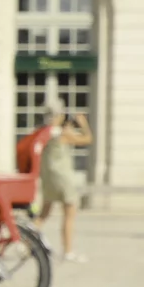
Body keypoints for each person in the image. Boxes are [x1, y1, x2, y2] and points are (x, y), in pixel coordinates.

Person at [36, 99, 92, 263]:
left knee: (44, 213)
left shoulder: (45, 131)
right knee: (69, 213)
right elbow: (87, 139)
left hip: (48, 177)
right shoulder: (63, 133)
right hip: (63, 177)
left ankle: (25, 242)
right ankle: (68, 251)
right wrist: (83, 124)